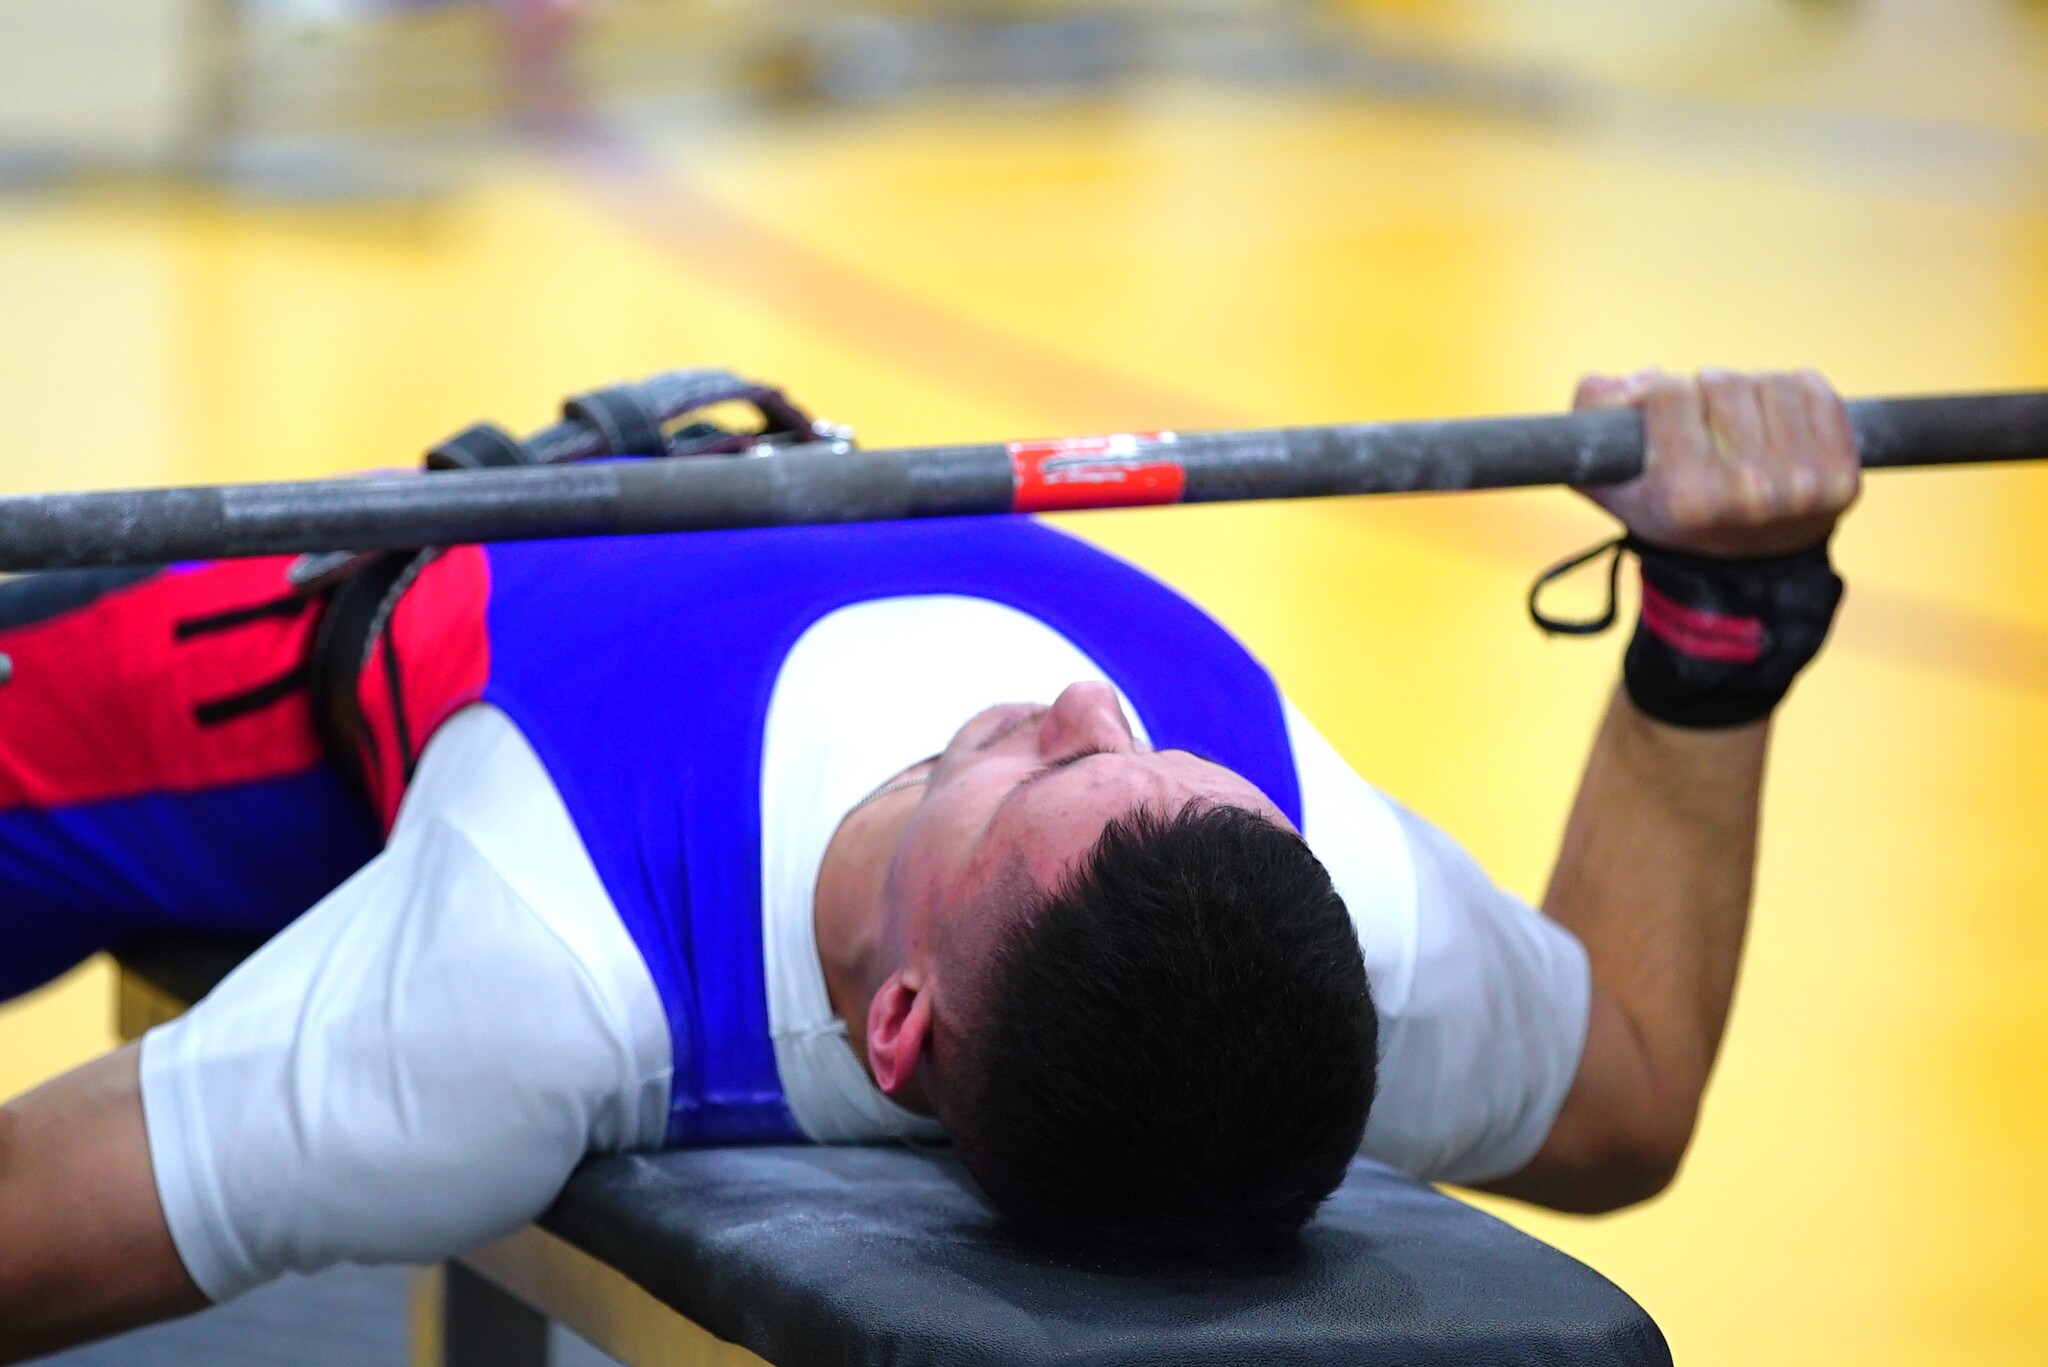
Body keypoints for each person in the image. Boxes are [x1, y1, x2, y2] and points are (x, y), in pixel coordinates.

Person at [0, 368, 1861, 1361]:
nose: (1070, 702)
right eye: (1146, 753)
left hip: (303, 676)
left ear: (898, 1027)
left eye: (1039, 779)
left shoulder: (532, 980)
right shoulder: (1322, 903)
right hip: (726, 446)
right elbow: (1623, 1095)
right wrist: (1728, 605)